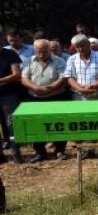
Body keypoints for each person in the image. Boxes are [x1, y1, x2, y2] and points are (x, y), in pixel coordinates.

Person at [20, 39, 69, 162]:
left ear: (49, 50)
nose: (41, 55)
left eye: (44, 52)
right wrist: (35, 87)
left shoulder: (59, 61)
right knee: (36, 125)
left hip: (56, 97)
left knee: (59, 124)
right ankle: (40, 152)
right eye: (39, 52)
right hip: (35, 98)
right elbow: (24, 79)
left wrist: (51, 88)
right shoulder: (28, 61)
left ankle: (60, 151)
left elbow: (63, 78)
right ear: (35, 50)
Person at [0, 28, 23, 164]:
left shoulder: (10, 54)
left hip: (9, 95)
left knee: (11, 124)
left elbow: (16, 74)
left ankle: (16, 153)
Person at [65, 35, 98, 101]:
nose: (80, 49)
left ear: (88, 44)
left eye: (82, 45)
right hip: (79, 96)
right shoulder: (72, 59)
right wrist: (80, 89)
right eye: (77, 47)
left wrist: (93, 86)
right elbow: (70, 77)